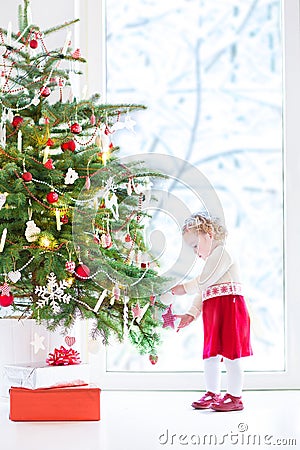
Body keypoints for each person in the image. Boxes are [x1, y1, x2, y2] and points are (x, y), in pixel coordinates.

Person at [172, 212, 252, 412]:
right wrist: (191, 313)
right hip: (214, 310)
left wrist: (181, 289)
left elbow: (202, 282)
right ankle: (212, 392)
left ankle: (235, 396)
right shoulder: (211, 263)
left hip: (230, 308)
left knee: (232, 354)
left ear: (208, 234)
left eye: (195, 246)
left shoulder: (222, 253)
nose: (196, 252)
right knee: (210, 354)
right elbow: (204, 290)